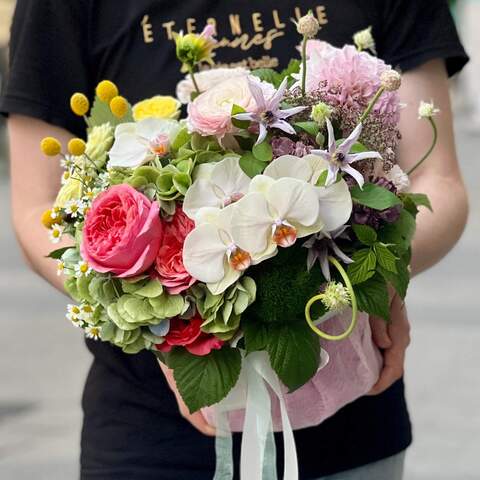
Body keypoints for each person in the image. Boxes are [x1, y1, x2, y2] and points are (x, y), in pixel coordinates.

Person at [0, 1, 469, 479]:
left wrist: (375, 273)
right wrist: (163, 317)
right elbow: (37, 211)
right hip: (149, 437)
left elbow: (437, 180)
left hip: (352, 424)